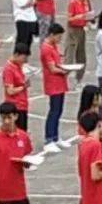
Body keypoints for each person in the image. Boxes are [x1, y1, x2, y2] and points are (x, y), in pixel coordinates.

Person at [41, 23, 70, 153]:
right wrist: (65, 71)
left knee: (59, 110)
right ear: (52, 35)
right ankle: (48, 139)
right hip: (53, 83)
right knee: (54, 111)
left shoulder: (53, 46)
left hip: (60, 83)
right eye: (58, 37)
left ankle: (56, 136)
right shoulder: (46, 48)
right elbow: (52, 68)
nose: (60, 39)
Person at [65, 0, 95, 82]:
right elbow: (69, 19)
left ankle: (79, 78)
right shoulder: (73, 3)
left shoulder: (87, 3)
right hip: (73, 30)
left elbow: (88, 16)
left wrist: (89, 22)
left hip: (82, 29)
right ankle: (64, 76)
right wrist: (78, 17)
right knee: (70, 55)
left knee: (81, 56)